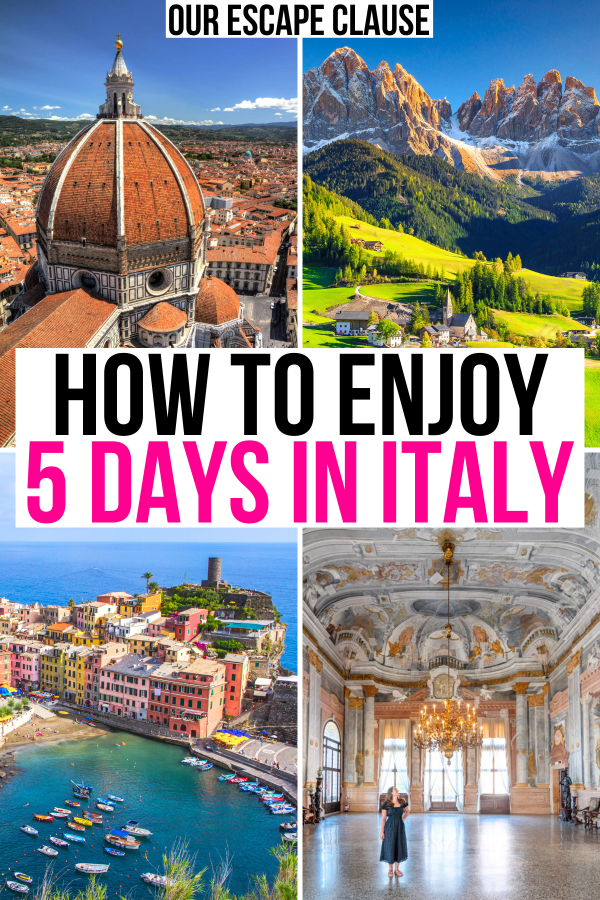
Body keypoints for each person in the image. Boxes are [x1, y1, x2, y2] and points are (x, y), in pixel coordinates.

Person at [380, 785, 409, 877]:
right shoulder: (386, 804)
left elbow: (407, 811)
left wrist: (403, 819)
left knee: (399, 845)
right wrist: (382, 832)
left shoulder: (402, 801)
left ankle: (397, 869)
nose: (397, 790)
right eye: (395, 789)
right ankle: (390, 869)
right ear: (391, 793)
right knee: (390, 845)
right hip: (389, 827)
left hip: (400, 827)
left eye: (396, 789)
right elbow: (383, 819)